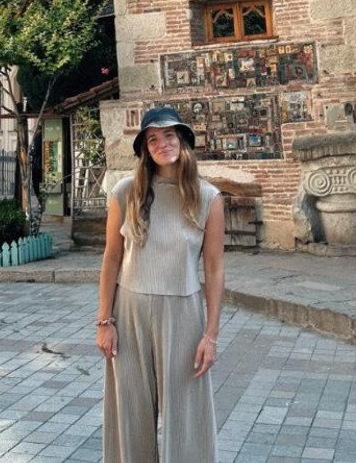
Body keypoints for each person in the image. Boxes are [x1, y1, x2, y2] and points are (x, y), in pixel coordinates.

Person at [96, 106, 225, 462]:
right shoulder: (125, 194)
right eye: (152, 138)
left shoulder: (208, 198)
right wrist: (104, 322)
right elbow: (111, 259)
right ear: (144, 149)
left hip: (183, 314)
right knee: (131, 412)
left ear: (182, 140)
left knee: (188, 413)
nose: (162, 143)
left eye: (169, 135)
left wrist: (210, 335)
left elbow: (214, 270)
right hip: (130, 311)